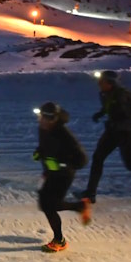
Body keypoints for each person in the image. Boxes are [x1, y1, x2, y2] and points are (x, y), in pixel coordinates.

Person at [80, 70, 131, 203]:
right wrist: (101, 113)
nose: (99, 84)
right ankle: (90, 193)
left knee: (130, 164)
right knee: (98, 157)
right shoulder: (104, 94)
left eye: (102, 82)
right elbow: (109, 107)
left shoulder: (126, 95)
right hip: (113, 130)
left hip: (129, 133)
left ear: (111, 83)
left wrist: (118, 125)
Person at [33, 101, 92, 252]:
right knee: (44, 203)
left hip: (63, 175)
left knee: (50, 205)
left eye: (46, 119)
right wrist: (40, 152)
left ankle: (59, 240)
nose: (42, 121)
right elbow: (45, 144)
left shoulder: (64, 134)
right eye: (41, 118)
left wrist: (61, 165)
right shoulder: (43, 127)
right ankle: (79, 206)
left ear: (54, 119)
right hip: (50, 172)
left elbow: (82, 159)